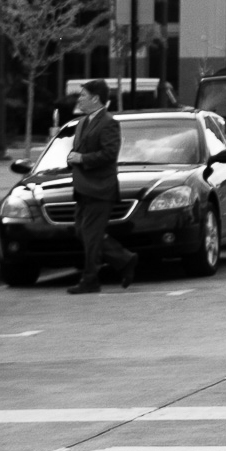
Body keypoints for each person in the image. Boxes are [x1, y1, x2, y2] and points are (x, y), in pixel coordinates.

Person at [65, 79, 135, 294]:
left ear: (96, 99)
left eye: (83, 95)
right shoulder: (83, 122)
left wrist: (81, 158)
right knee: (83, 231)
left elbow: (109, 154)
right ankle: (125, 259)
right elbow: (79, 151)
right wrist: (72, 158)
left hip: (100, 188)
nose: (79, 99)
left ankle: (90, 279)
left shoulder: (108, 122)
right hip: (83, 187)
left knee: (91, 233)